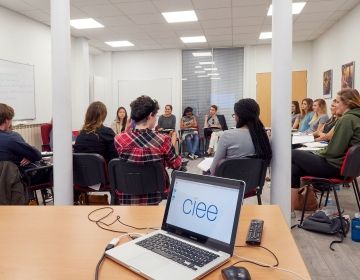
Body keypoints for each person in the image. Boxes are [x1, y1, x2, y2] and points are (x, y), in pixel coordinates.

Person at [291, 88, 360, 211]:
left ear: (348, 103)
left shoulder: (347, 119)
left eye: (337, 102)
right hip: (348, 169)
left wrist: (315, 152)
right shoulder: (356, 118)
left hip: (334, 167)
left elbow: (333, 151)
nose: (334, 104)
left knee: (291, 152)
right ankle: (293, 207)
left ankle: (289, 207)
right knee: (294, 168)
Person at [114, 95, 182, 204]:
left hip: (127, 196)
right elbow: (176, 165)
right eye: (156, 116)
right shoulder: (163, 139)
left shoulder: (119, 139)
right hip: (154, 196)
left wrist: (126, 130)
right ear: (150, 116)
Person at [210, 99, 272, 175]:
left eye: (235, 114)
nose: (234, 117)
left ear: (239, 116)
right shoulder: (263, 137)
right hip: (253, 185)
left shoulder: (227, 135)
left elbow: (213, 170)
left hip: (229, 185)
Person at [0, 103, 45, 202]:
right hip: (16, 181)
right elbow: (37, 155)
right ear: (7, 120)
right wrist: (29, 156)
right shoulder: (11, 138)